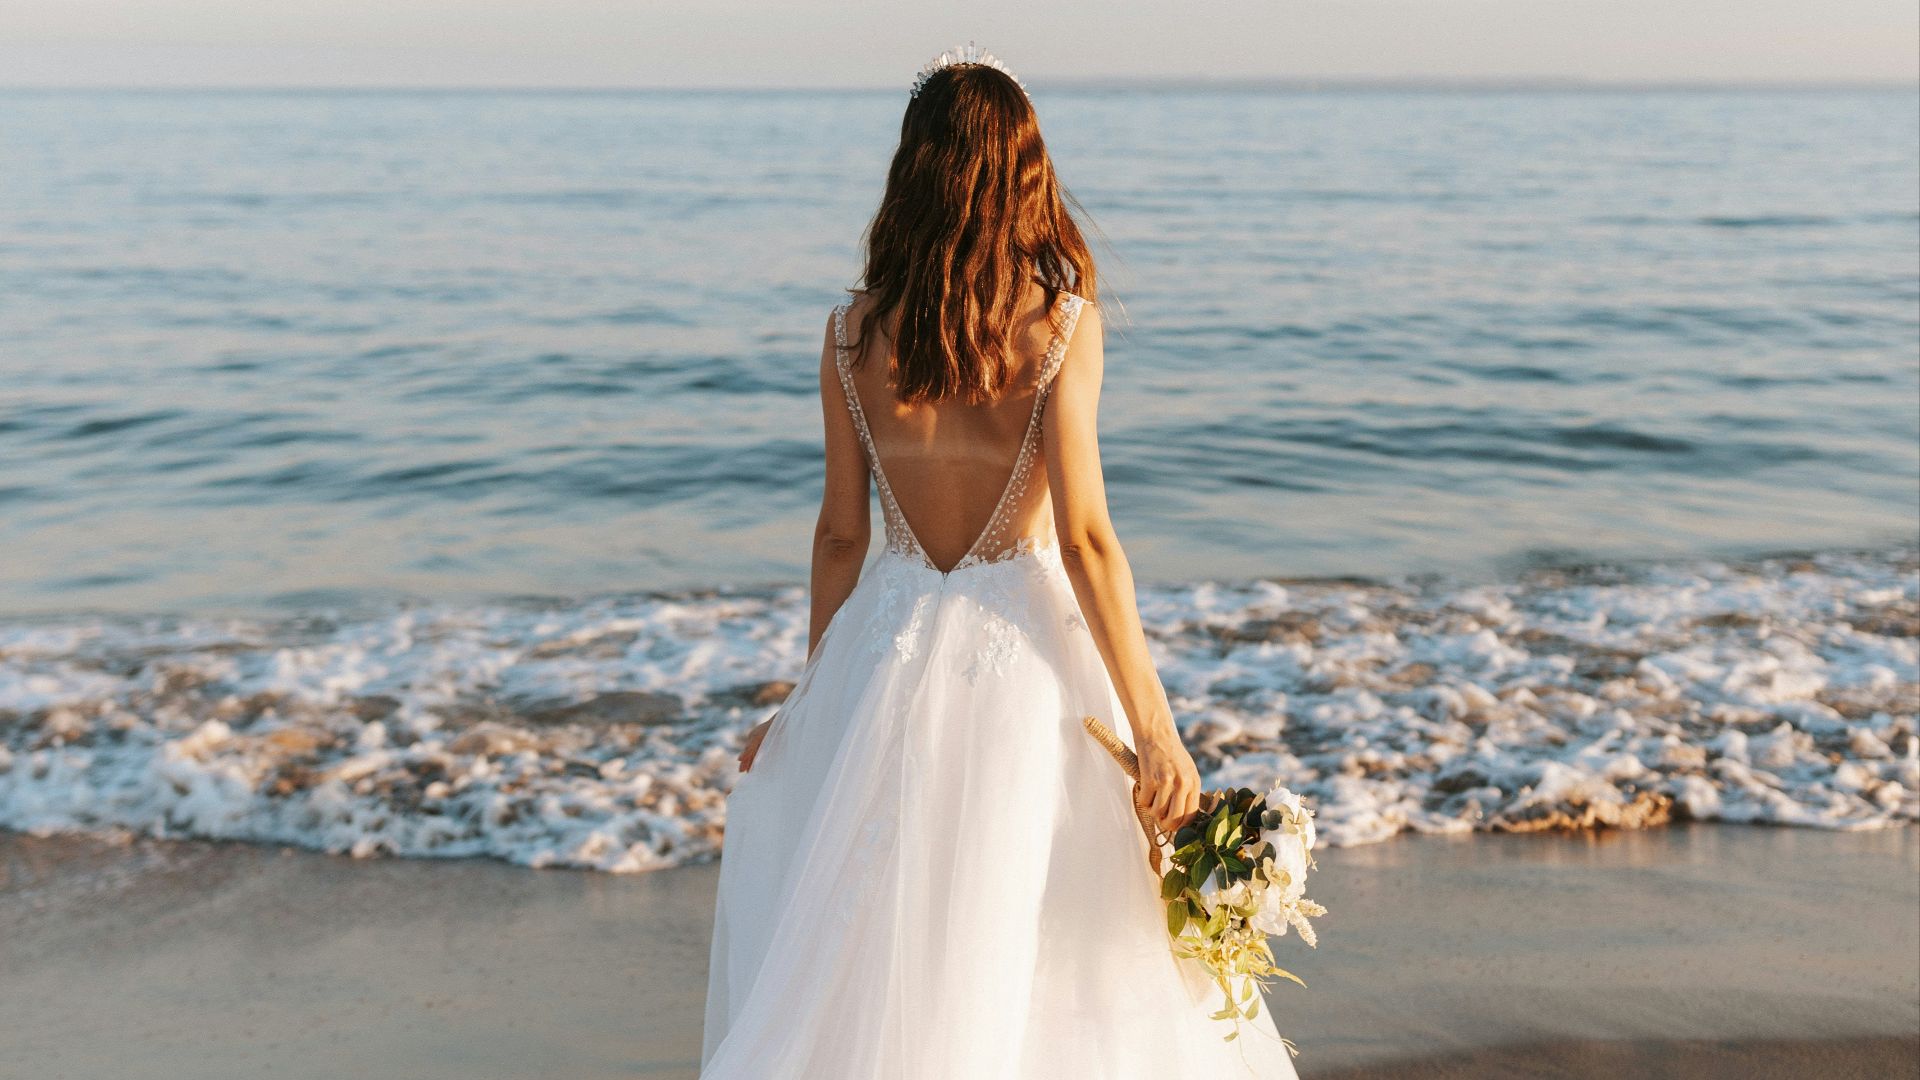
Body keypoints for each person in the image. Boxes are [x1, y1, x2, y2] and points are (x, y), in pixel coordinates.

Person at [699, 44, 1300, 1078]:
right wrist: (1157, 731)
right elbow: (1086, 538)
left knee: (872, 938)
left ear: (914, 176)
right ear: (1024, 178)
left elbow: (841, 534)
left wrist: (810, 700)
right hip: (1023, 654)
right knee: (1034, 934)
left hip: (879, 650)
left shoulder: (851, 335)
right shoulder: (1057, 328)